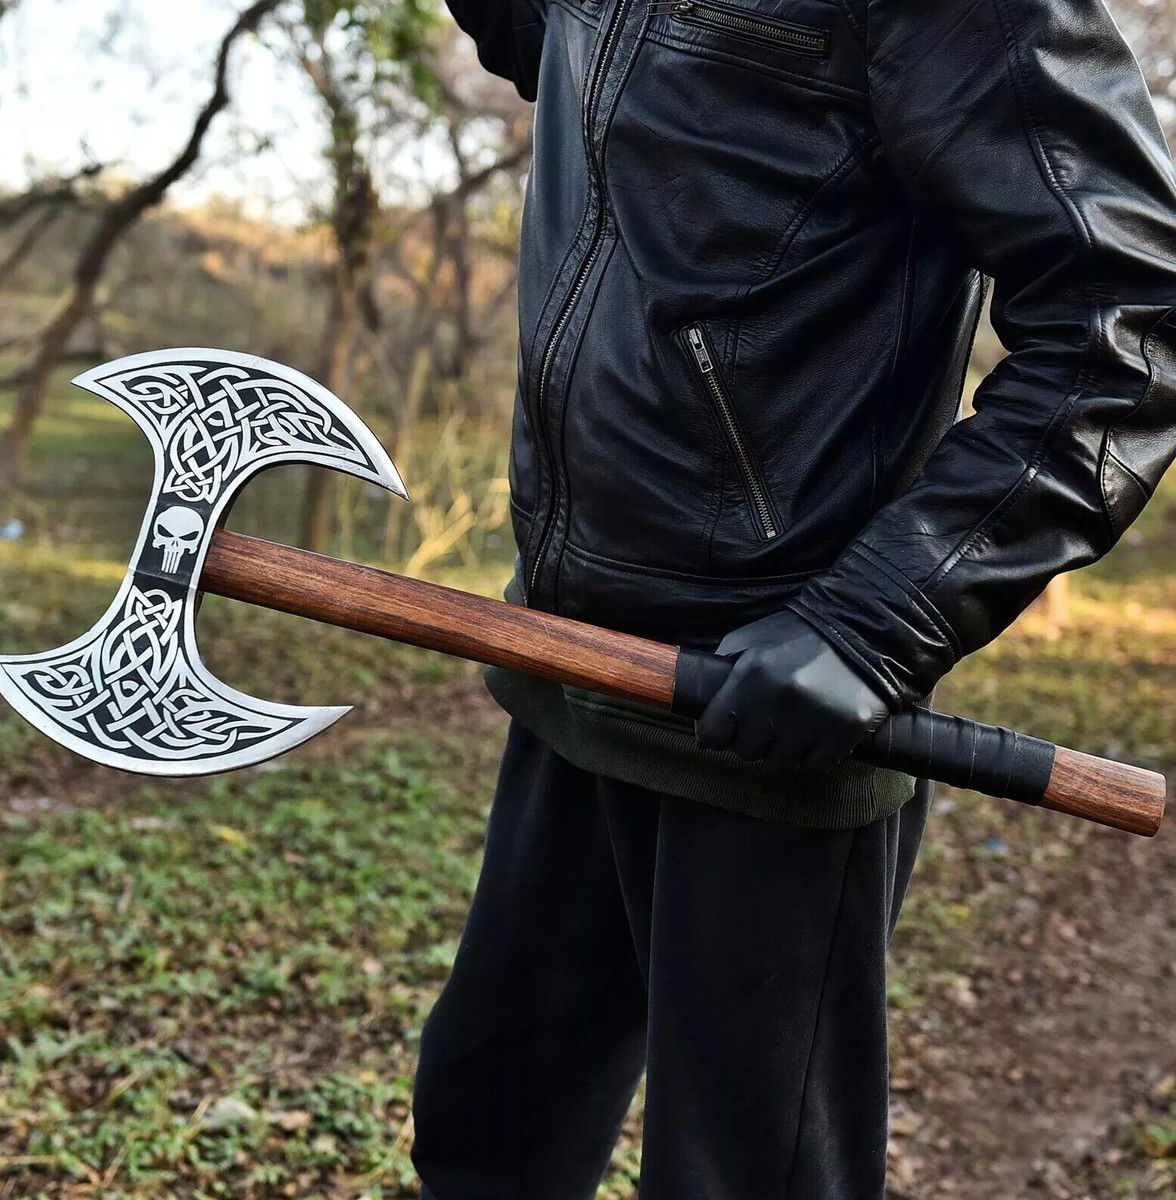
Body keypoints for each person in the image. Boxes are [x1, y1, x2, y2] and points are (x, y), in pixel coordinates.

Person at [412, 2, 1176, 1196]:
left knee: (746, 1179)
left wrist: (875, 624)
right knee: (485, 1130)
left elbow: (1129, 321)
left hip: (769, 703)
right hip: (567, 656)